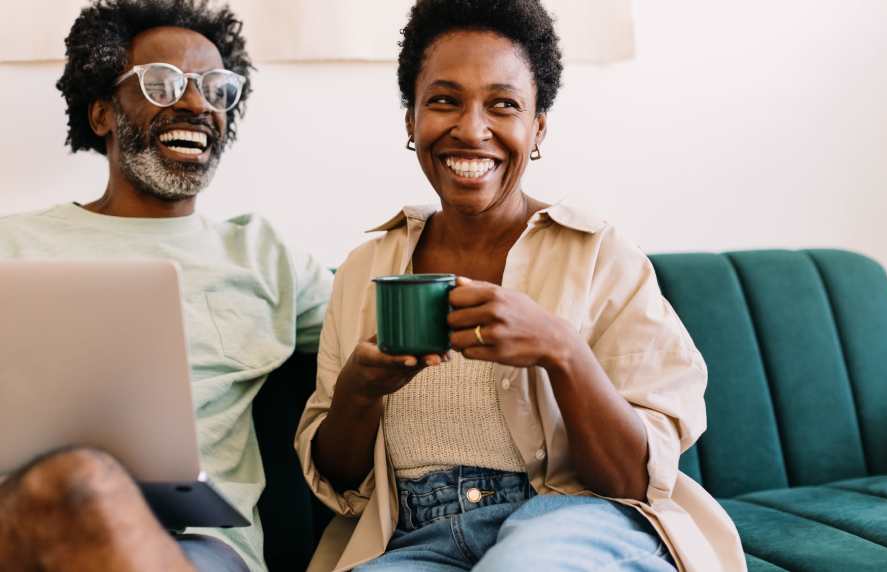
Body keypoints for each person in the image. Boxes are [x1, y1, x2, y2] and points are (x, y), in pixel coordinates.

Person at [297, 1, 745, 570]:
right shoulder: (365, 269)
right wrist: (359, 390)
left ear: (537, 127)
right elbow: (336, 480)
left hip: (570, 519)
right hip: (415, 540)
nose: (471, 128)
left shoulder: (600, 256)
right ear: (411, 120)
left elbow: (633, 479)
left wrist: (561, 351)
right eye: (443, 100)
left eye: (503, 105)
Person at [0, 1, 331, 570]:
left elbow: (390, 329)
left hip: (197, 547)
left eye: (216, 88)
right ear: (102, 113)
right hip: (19, 521)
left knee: (87, 484)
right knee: (73, 483)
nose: (196, 103)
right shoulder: (11, 246)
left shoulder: (265, 257)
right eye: (162, 83)